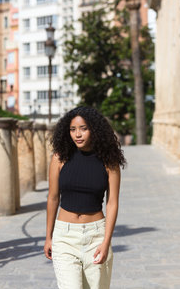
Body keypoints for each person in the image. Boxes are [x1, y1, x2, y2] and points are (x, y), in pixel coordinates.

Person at [44, 106, 126, 289]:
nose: (77, 134)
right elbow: (53, 198)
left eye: (83, 128)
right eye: (73, 129)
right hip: (64, 237)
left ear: (94, 130)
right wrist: (49, 237)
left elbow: (112, 203)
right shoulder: (59, 158)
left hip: (95, 236)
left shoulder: (109, 161)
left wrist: (106, 242)